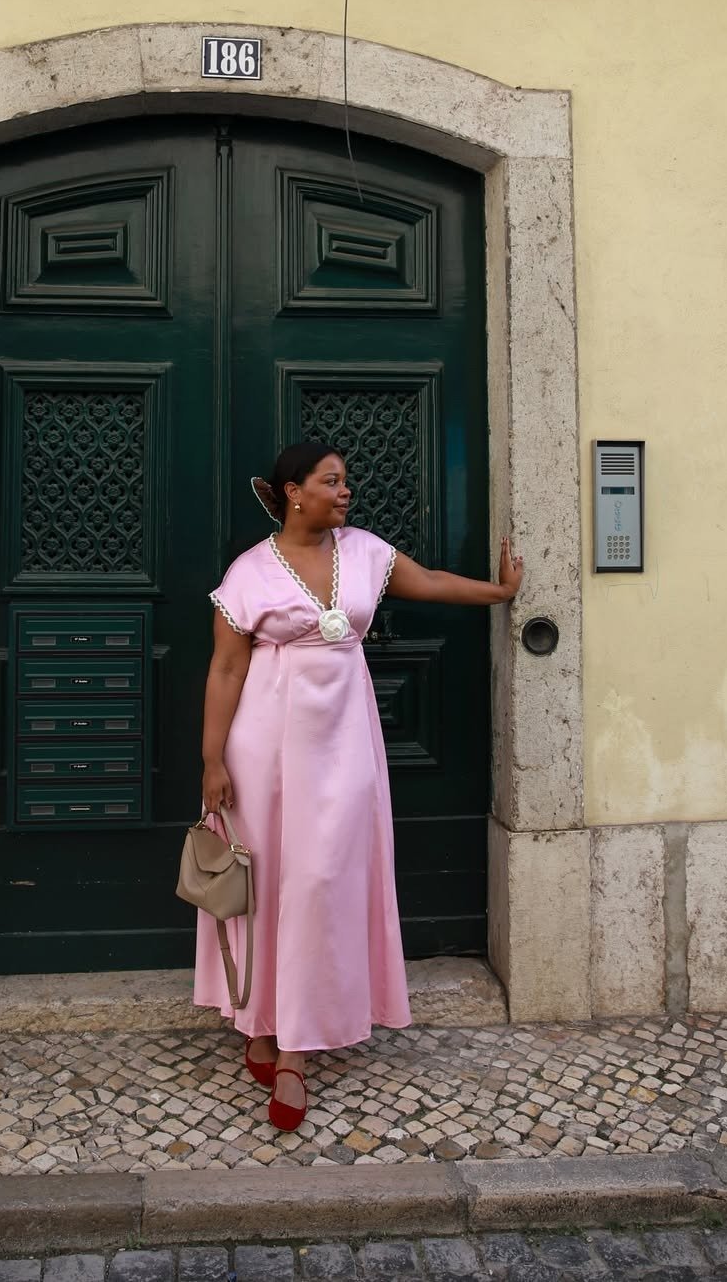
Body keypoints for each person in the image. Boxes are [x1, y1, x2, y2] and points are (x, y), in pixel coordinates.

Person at [194, 441, 524, 1131]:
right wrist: (213, 761)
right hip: (263, 747)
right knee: (268, 882)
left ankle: (296, 1043)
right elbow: (225, 671)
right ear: (293, 491)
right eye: (331, 481)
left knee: (320, 881)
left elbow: (429, 580)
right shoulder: (249, 572)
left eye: (346, 481)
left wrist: (497, 594)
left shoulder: (366, 551)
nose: (345, 492)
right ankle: (266, 1029)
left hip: (343, 745)